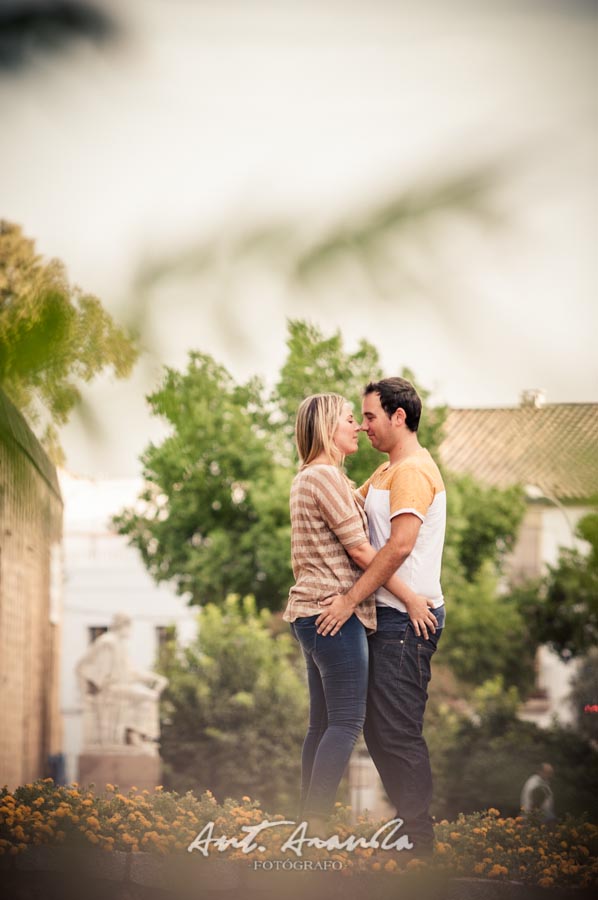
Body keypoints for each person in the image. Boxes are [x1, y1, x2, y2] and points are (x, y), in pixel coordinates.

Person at [282, 392, 437, 826]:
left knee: (322, 724)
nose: (359, 426)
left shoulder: (312, 478)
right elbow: (365, 552)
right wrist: (410, 597)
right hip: (334, 614)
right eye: (351, 419)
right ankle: (313, 825)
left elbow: (364, 503)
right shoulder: (326, 478)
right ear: (329, 428)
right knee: (347, 724)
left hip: (311, 615)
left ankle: (304, 823)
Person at [316, 377, 446, 855]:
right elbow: (349, 506)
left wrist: (350, 600)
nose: (364, 425)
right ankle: (413, 833)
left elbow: (398, 547)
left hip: (404, 624)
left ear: (399, 416)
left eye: (369, 416)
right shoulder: (389, 471)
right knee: (379, 729)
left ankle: (421, 842)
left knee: (396, 731)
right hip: (390, 617)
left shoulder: (411, 471)